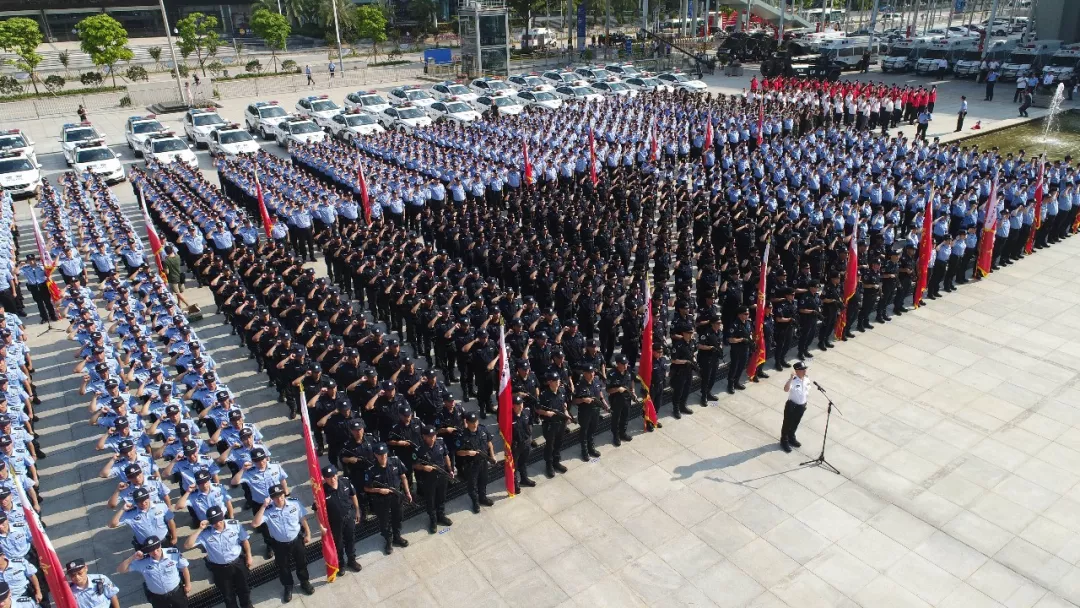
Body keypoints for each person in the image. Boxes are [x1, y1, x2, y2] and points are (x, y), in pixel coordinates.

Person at [251, 484, 313, 603]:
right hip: (279, 544)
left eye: (281, 495)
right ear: (271, 498)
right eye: (275, 497)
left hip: (296, 540)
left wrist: (308, 533)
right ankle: (288, 586)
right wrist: (263, 506)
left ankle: (304, 582)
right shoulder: (268, 510)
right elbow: (254, 524)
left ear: (284, 494)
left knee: (301, 562)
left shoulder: (294, 503)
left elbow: (302, 518)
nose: (279, 499)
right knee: (283, 567)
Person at [184, 505, 253, 608]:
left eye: (219, 521)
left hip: (238, 563)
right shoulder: (206, 533)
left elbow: (244, 540)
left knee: (244, 589)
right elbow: (187, 545)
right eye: (214, 522)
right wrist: (199, 529)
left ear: (222, 517)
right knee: (228, 595)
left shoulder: (234, 525)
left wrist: (249, 555)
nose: (217, 524)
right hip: (220, 569)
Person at [363, 443, 411, 554]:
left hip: (396, 496)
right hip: (381, 500)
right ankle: (388, 540)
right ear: (375, 455)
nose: (383, 456)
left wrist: (407, 492)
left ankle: (397, 537)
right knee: (384, 521)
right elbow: (366, 488)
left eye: (384, 453)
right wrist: (379, 490)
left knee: (398, 517)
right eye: (380, 454)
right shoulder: (371, 469)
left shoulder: (395, 461)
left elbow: (403, 476)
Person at [117, 536, 190, 608]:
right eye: (151, 550)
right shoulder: (142, 562)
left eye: (157, 549)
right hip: (158, 598)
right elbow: (120, 570)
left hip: (177, 593)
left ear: (160, 545)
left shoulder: (173, 553)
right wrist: (132, 557)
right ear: (147, 551)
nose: (155, 552)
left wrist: (188, 584)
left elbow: (184, 568)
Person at [319, 465, 362, 573]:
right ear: (324, 478)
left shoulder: (345, 482)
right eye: (329, 477)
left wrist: (357, 510)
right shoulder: (321, 491)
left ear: (337, 474)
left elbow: (353, 495)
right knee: (338, 544)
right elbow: (317, 510)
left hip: (349, 517)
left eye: (334, 475)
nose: (332, 479)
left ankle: (352, 560)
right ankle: (341, 563)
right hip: (335, 522)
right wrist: (321, 525)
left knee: (350, 540)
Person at [412, 425, 453, 533]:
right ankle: (433, 520)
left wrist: (450, 469)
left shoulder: (440, 443)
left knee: (441, 497)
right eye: (430, 436)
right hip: (428, 479)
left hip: (442, 475)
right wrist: (423, 467)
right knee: (430, 500)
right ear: (424, 436)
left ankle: (441, 516)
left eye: (434, 435)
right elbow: (414, 465)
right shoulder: (419, 449)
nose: (432, 438)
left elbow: (446, 456)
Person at [454, 412, 494, 511]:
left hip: (483, 461)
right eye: (472, 422)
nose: (475, 424)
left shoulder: (483, 429)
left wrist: (492, 455)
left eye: (476, 421)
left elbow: (489, 443)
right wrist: (467, 452)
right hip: (471, 464)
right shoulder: (462, 435)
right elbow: (458, 452)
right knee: (472, 485)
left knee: (483, 481)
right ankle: (475, 502)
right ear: (467, 423)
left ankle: (483, 498)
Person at [780, 361, 810, 453]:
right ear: (797, 371)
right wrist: (790, 378)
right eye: (802, 370)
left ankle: (791, 437)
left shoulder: (806, 379)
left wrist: (805, 403)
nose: (805, 371)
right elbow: (786, 389)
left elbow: (806, 392)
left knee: (796, 423)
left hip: (801, 406)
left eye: (805, 369)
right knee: (787, 424)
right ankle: (784, 440)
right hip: (792, 406)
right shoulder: (793, 380)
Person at [17, 255, 57, 324]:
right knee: (39, 303)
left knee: (47, 302)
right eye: (29, 260)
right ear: (27, 261)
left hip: (42, 285)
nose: (31, 261)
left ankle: (52, 315)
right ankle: (44, 317)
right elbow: (15, 272)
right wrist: (19, 265)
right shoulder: (25, 268)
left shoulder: (41, 266)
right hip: (34, 287)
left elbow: (48, 273)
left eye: (33, 260)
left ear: (35, 260)